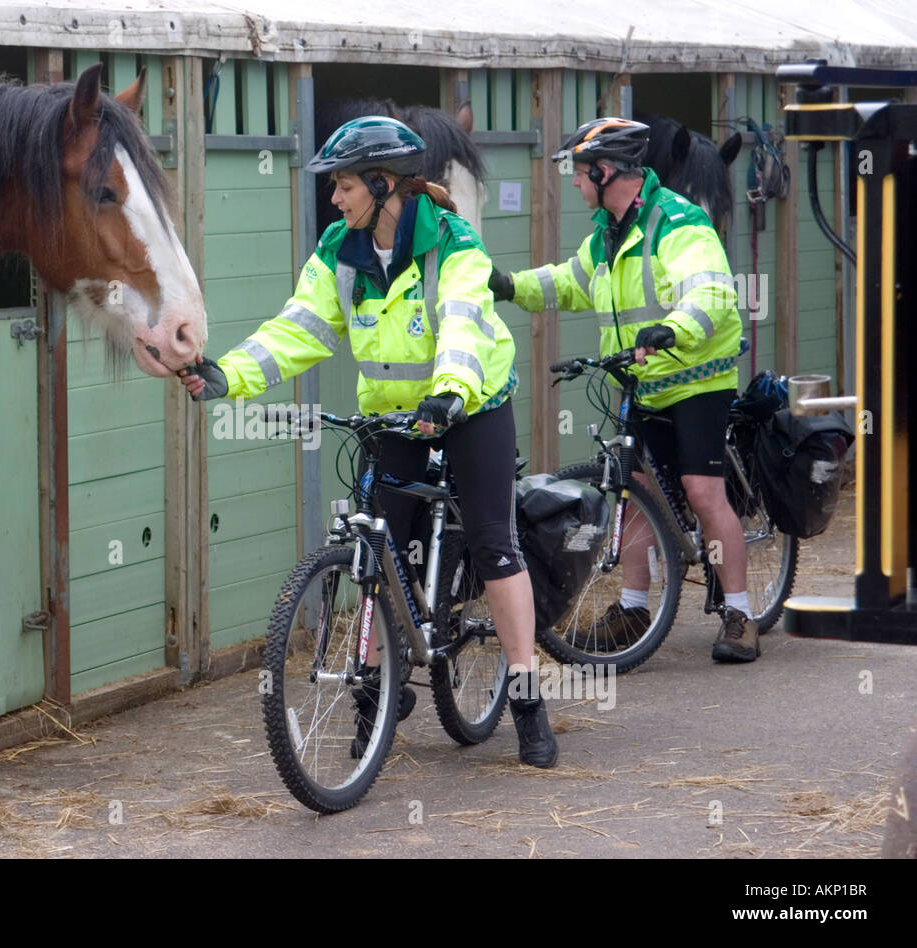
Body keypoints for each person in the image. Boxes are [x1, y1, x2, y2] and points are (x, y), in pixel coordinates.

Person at [181, 116, 557, 767]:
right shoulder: (339, 251)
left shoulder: (453, 243)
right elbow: (300, 328)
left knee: (496, 543)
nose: (335, 198)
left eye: (345, 185)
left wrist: (451, 393)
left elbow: (466, 324)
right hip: (392, 418)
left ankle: (526, 699)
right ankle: (379, 695)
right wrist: (229, 374)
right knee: (376, 553)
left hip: (469, 405)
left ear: (384, 185)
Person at [490, 117, 756, 662]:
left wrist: (672, 329)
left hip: (697, 376)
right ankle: (635, 610)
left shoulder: (679, 223)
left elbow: (709, 292)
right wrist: (509, 285)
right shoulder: (606, 236)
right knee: (633, 493)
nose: (573, 182)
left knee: (703, 492)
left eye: (578, 172)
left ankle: (741, 614)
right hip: (642, 381)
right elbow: (569, 282)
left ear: (604, 171)